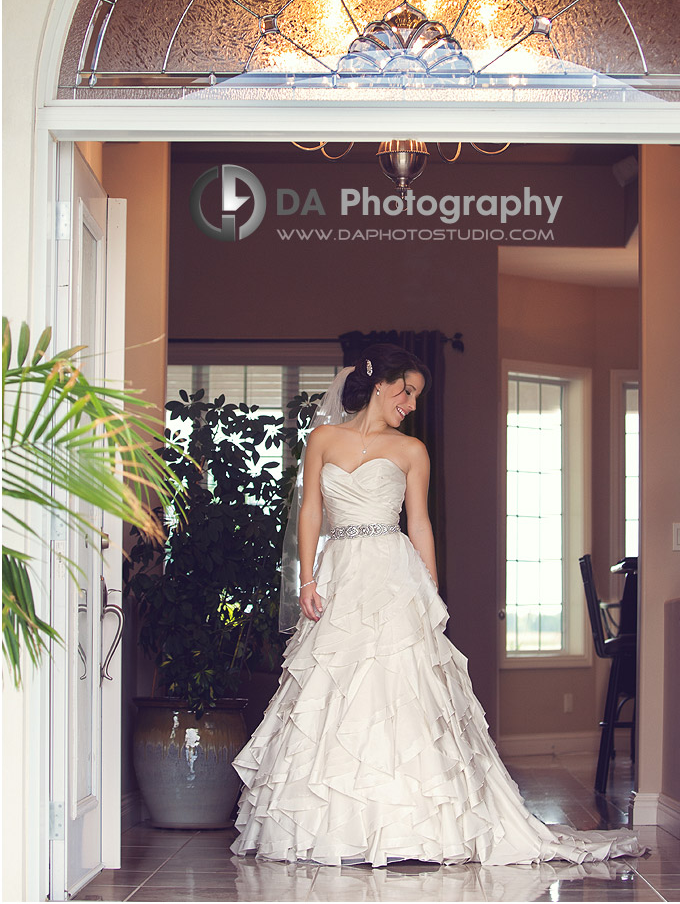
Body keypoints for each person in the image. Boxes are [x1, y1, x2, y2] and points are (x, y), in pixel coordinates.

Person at [230, 346, 645, 867]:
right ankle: (329, 829)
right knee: (332, 687)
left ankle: (414, 827)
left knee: (401, 689)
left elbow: (419, 522)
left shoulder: (411, 451)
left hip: (389, 570)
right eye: (407, 391)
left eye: (418, 396)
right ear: (379, 383)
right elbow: (310, 507)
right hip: (337, 575)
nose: (411, 403)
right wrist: (306, 578)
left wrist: (429, 591)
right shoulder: (323, 439)